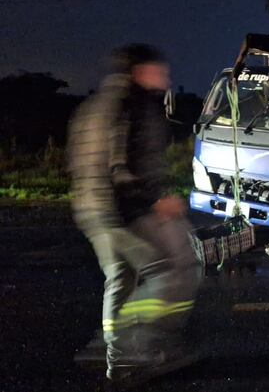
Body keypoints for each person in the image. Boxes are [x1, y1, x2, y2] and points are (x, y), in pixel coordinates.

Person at [67, 44, 201, 386]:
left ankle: (119, 361)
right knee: (168, 274)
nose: (166, 78)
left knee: (120, 281)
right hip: (119, 210)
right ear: (140, 71)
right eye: (160, 71)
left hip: (92, 210)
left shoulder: (92, 106)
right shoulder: (131, 105)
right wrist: (156, 199)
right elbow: (121, 164)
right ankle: (129, 342)